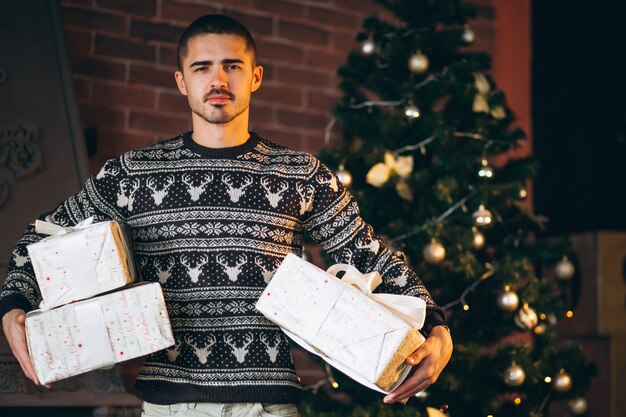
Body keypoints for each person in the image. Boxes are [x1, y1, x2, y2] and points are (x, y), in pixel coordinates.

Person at [0, 14, 452, 417]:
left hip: (269, 405)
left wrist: (435, 328)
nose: (218, 78)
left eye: (232, 65)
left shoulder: (300, 174)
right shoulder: (131, 173)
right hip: (170, 405)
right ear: (181, 81)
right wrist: (12, 308)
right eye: (202, 67)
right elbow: (39, 241)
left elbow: (370, 254)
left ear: (255, 76)